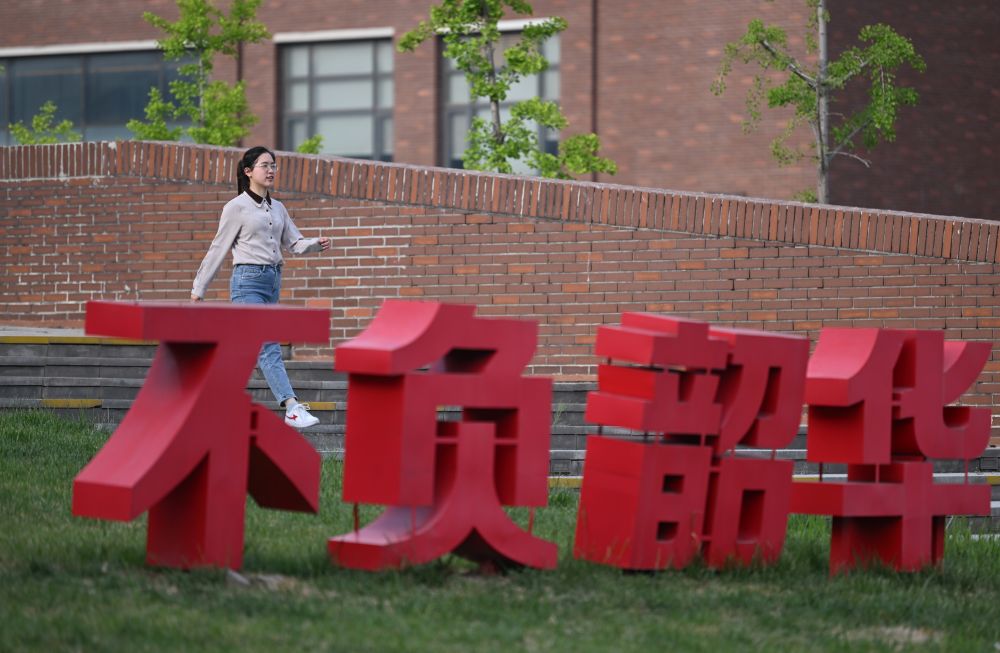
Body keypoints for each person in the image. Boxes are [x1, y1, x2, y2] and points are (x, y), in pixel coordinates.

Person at [191, 146, 331, 429]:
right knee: (268, 344)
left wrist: (315, 244)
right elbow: (218, 249)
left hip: (273, 282)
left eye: (273, 166)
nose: (271, 170)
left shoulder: (278, 208)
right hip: (248, 282)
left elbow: (294, 243)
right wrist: (198, 290)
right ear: (248, 171)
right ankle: (291, 407)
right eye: (265, 165)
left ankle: (205, 400)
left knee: (247, 347)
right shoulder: (236, 207)